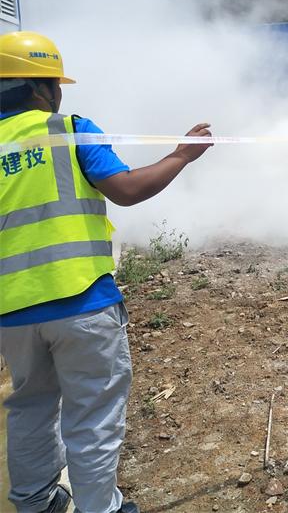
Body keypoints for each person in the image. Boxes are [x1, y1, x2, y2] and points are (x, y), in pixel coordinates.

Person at [0, 31, 213, 513]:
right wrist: (182, 155)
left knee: (30, 407)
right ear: (40, 87)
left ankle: (35, 503)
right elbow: (126, 189)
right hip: (82, 304)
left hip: (12, 313)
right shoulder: (69, 128)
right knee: (93, 415)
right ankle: (101, 508)